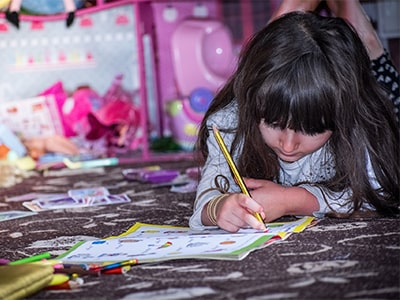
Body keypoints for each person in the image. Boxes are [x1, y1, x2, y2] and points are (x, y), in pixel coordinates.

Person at [189, 9, 400, 232]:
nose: (288, 145)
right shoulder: (229, 123)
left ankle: (363, 32)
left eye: (311, 129)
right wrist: (218, 208)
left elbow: (383, 192)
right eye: (273, 123)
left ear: (342, 115)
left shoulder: (360, 120)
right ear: (252, 103)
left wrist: (294, 199)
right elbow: (206, 200)